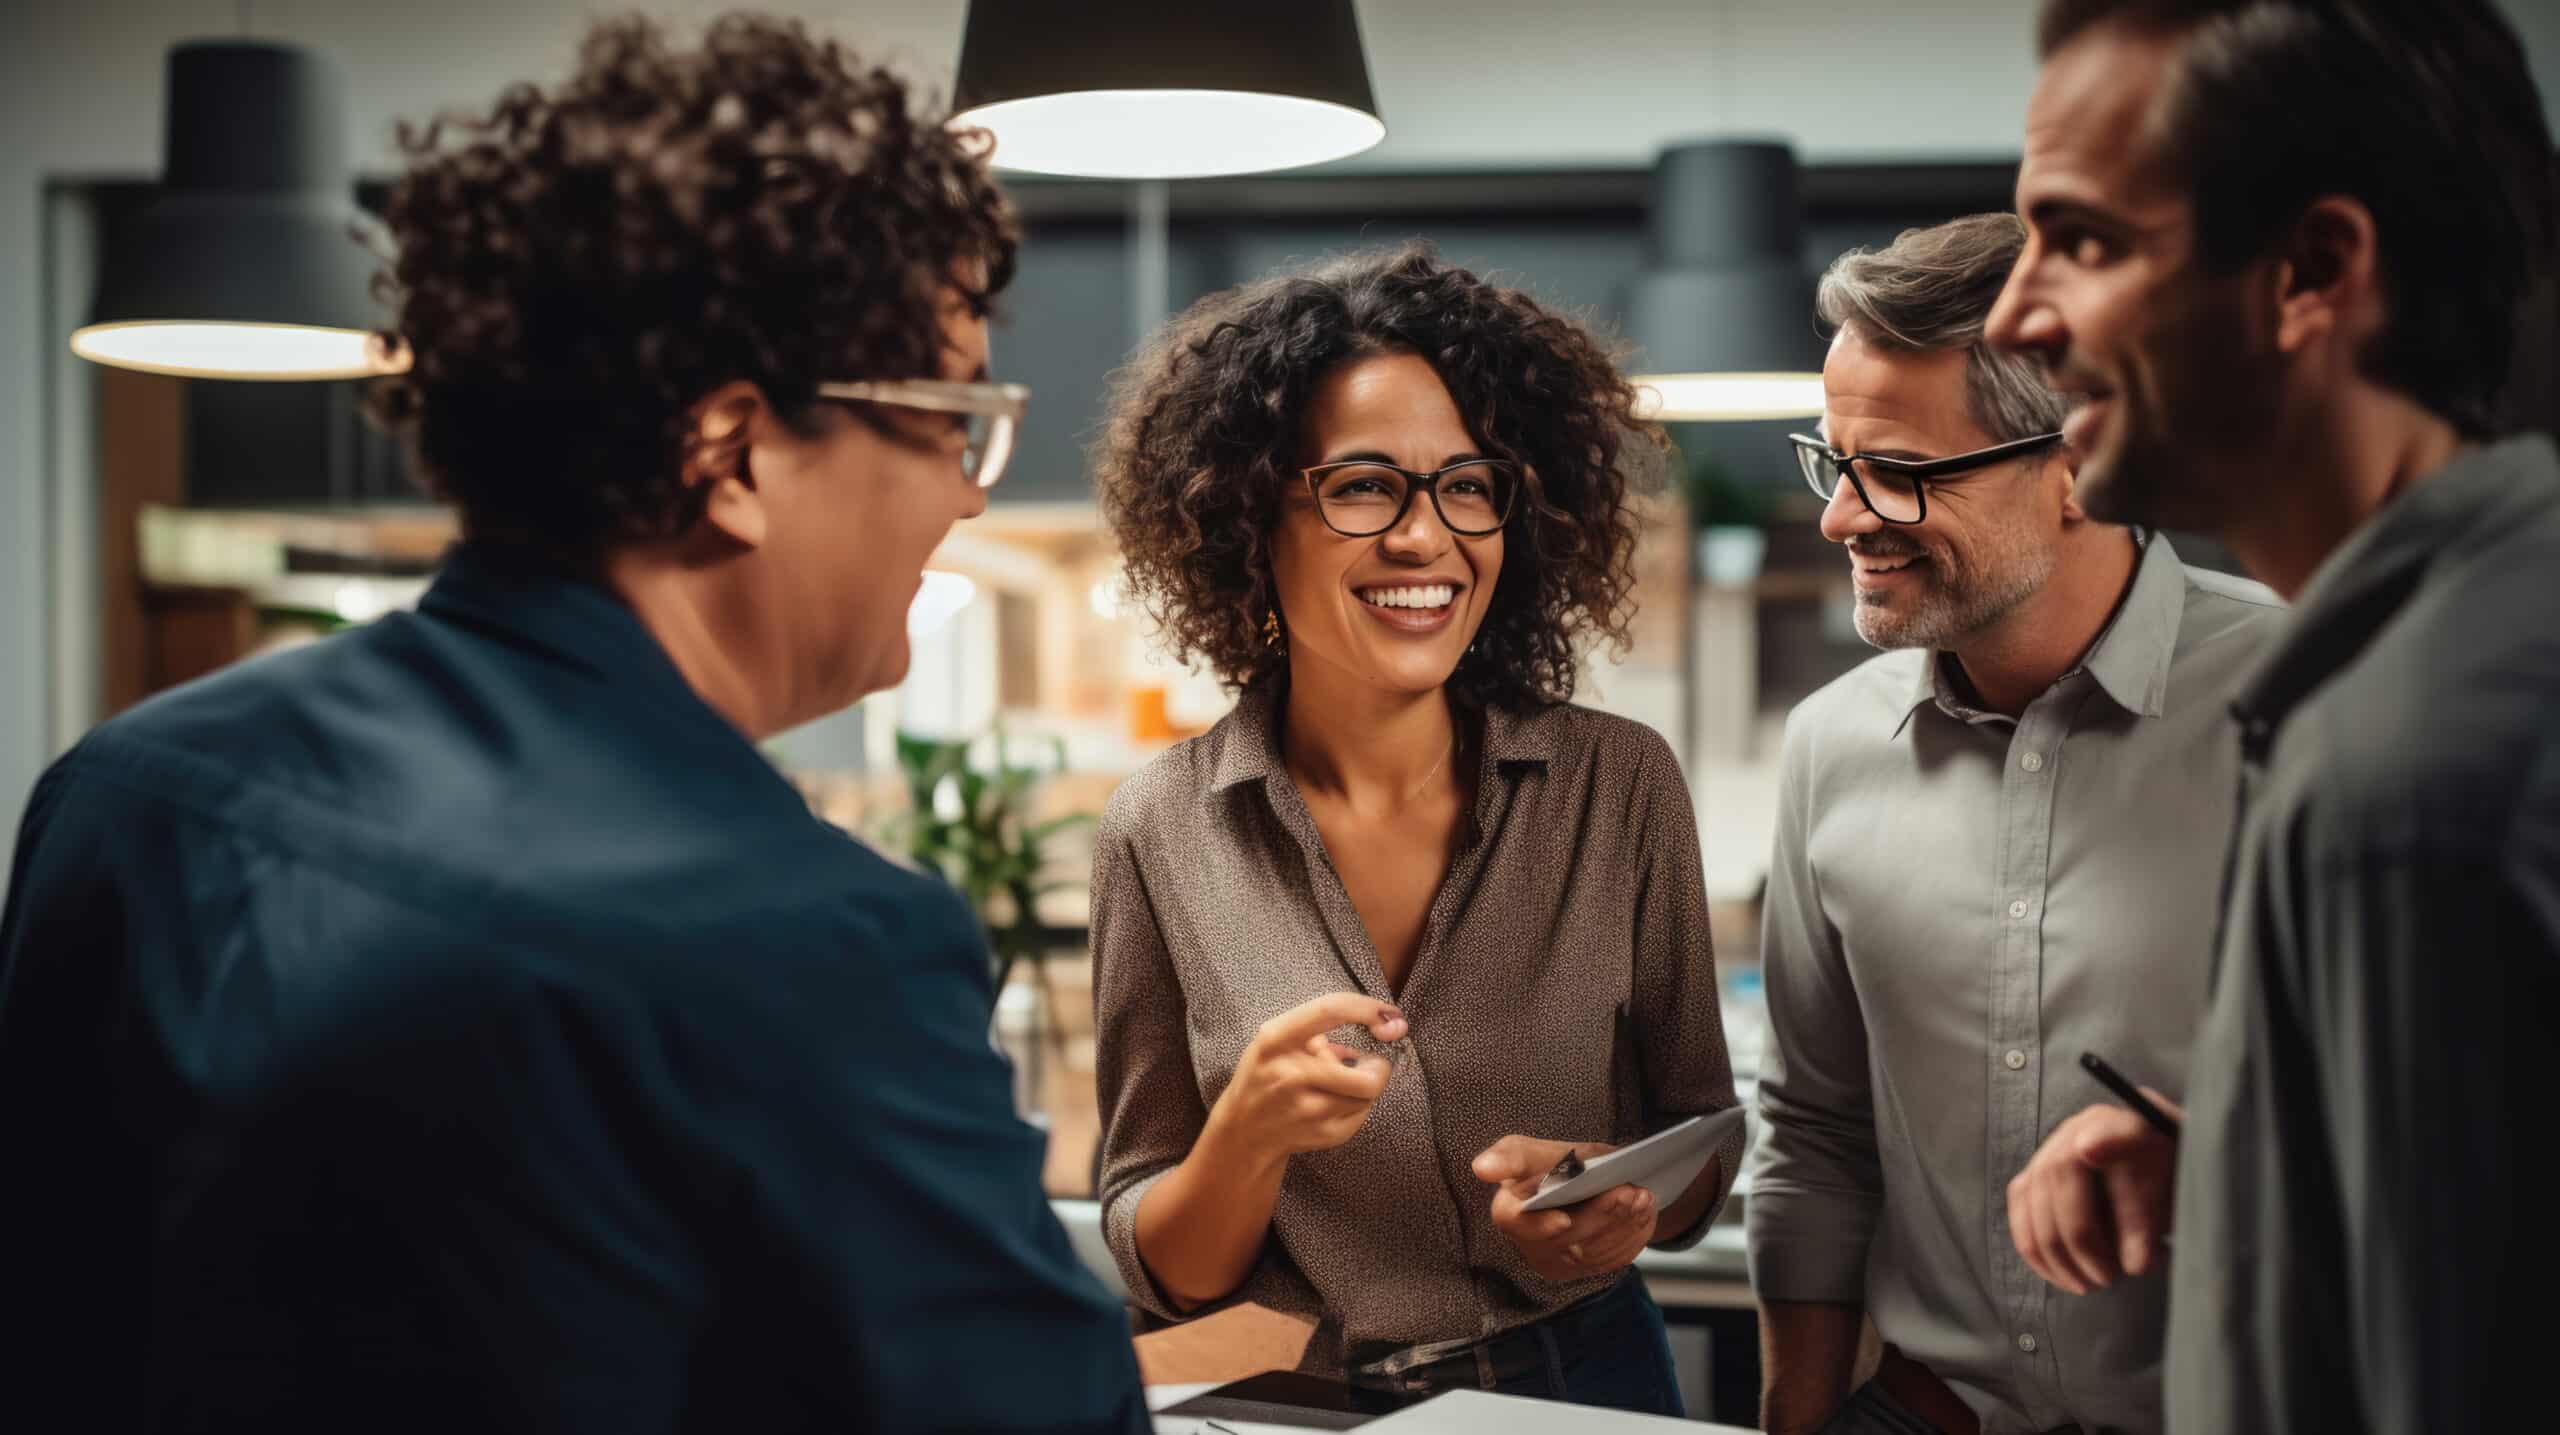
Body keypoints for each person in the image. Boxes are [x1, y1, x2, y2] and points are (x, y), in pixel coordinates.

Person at [0, 16, 1145, 1432]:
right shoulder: (807, 936)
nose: (968, 495)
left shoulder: (125, 787)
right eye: (951, 420)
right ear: (730, 455)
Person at [1986, 2, 2560, 1430]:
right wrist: (2243, 1167)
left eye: (2088, 240)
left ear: (2310, 272)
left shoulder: (2406, 778)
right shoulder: (2490, 634)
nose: (2015, 314)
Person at [1086, 245, 1743, 1415]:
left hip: (1585, 1386)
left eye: (1467, 485)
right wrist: (1244, 1136)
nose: (1424, 537)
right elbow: (1164, 1257)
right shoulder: (1158, 828)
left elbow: (1699, 1132)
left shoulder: (1619, 784)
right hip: (1300, 1397)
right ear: (1251, 514)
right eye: (1362, 486)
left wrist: (1617, 1207)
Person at [1746, 213, 2279, 1435]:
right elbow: (1816, 1137)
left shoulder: (2317, 703)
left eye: (1898, 470)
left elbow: (2460, 1128)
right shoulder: (1832, 745)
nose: (1841, 517)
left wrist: (2216, 1159)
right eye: (1831, 460)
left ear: (2084, 459)